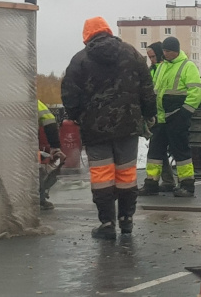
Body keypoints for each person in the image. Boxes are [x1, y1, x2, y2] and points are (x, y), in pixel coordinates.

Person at [61, 16, 156, 239]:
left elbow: (69, 93)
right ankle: (127, 219)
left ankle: (106, 223)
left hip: (96, 129)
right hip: (128, 125)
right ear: (108, 30)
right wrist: (149, 113)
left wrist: (76, 116)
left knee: (102, 175)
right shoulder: (132, 53)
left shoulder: (80, 60)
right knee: (126, 174)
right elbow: (146, 87)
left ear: (86, 36)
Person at [139, 36, 201, 197]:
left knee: (181, 153)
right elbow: (155, 90)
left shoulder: (188, 66)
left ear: (175, 51)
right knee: (154, 152)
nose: (165, 54)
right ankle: (151, 183)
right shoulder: (161, 67)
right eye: (164, 51)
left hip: (176, 117)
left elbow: (196, 92)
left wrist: (185, 113)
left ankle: (187, 185)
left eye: (167, 51)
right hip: (160, 118)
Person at [145, 41, 176, 192]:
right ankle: (168, 180)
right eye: (149, 57)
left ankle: (158, 182)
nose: (151, 59)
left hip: (166, 116)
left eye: (152, 56)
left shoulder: (165, 69)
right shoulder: (152, 70)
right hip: (156, 116)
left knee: (157, 150)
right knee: (158, 150)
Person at [38, 100, 66, 210]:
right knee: (36, 172)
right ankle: (39, 199)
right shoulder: (32, 102)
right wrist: (55, 146)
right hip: (25, 147)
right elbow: (49, 120)